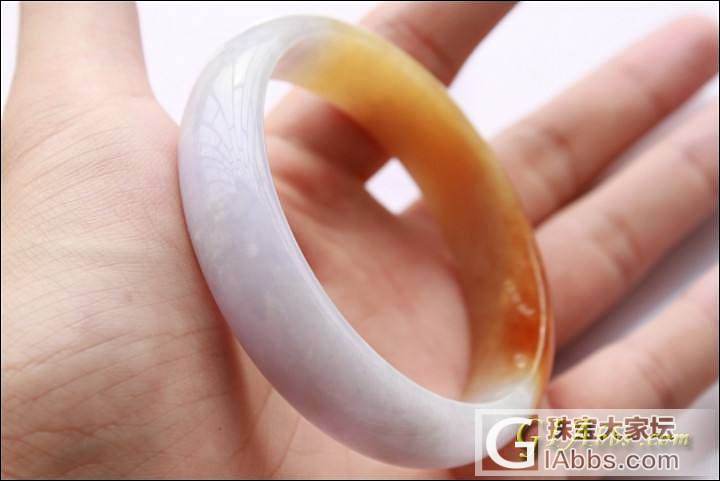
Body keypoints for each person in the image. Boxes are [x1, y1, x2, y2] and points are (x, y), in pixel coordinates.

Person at [2, 2, 717, 478]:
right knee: (638, 438)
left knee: (639, 438)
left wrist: (684, 441)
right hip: (474, 423)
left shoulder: (482, 426)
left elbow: (529, 439)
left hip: (484, 416)